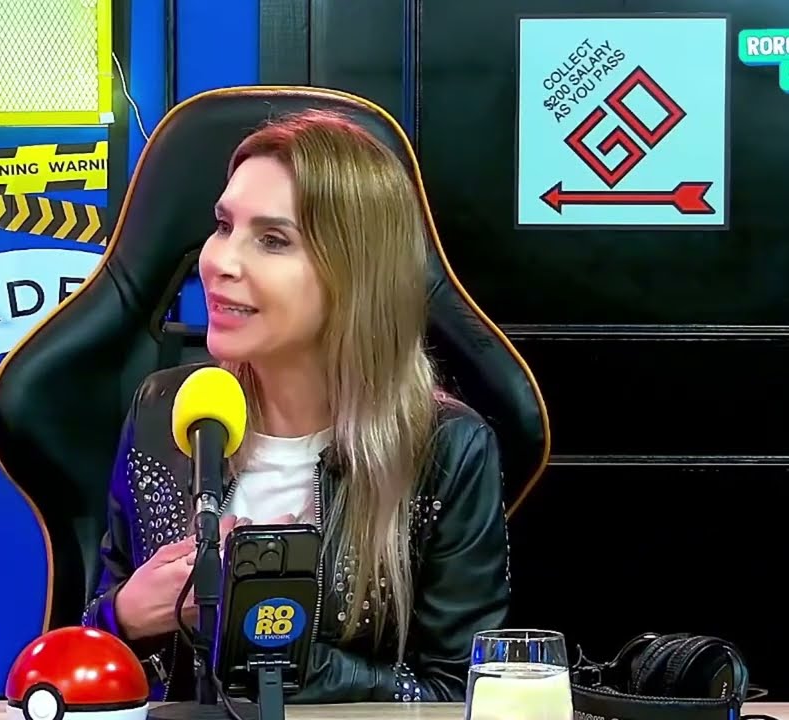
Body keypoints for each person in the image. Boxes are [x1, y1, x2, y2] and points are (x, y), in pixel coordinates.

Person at [81, 109, 510, 703]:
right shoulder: (167, 411)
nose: (220, 262)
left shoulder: (445, 449)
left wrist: (265, 642)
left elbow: (458, 693)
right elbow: (93, 661)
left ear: (355, 273)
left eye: (273, 240)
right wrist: (124, 615)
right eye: (224, 226)